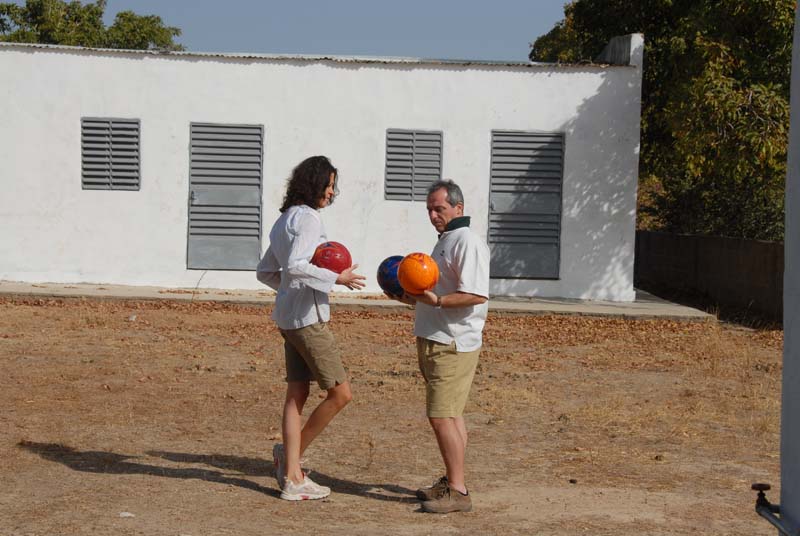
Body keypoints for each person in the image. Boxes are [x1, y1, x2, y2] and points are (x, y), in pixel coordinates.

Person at [256, 155, 365, 501]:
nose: (332, 193)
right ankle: (291, 470)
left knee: (297, 395)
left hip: (289, 318)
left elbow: (266, 272)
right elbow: (296, 265)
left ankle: (289, 465)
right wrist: (338, 277)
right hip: (308, 323)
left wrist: (289, 291)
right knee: (340, 393)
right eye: (329, 185)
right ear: (314, 184)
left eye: (334, 186)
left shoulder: (283, 220)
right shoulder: (309, 219)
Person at [390, 179, 490, 513]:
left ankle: (459, 492)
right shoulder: (446, 241)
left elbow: (475, 294)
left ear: (458, 208)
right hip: (436, 339)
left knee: (441, 416)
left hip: (453, 343)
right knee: (452, 416)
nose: (433, 215)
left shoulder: (467, 241)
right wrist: (409, 297)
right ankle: (452, 480)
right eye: (430, 209)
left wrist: (437, 300)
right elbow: (435, 295)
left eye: (440, 208)